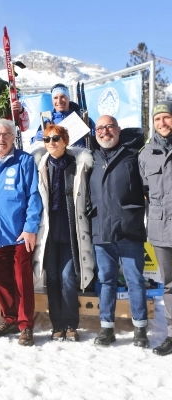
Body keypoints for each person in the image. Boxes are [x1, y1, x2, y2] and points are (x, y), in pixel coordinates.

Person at [0, 118, 42, 346]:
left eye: (6, 135)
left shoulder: (25, 161)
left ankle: (25, 325)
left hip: (20, 235)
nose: (1, 139)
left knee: (22, 281)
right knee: (2, 281)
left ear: (14, 137)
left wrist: (30, 228)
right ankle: (10, 318)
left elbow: (34, 196)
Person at [31, 125, 94, 341]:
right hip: (48, 230)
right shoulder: (40, 165)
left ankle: (71, 325)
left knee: (68, 277)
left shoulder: (78, 164)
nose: (51, 142)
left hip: (69, 229)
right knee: (54, 277)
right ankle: (57, 325)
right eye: (47, 139)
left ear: (65, 140)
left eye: (56, 138)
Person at [89, 115, 148, 347]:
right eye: (100, 128)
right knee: (106, 280)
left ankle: (140, 328)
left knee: (135, 280)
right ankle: (106, 329)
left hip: (129, 228)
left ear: (119, 129)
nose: (105, 132)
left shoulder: (134, 155)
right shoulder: (90, 157)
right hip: (101, 229)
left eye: (109, 127)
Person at [139, 100, 172, 356]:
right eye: (158, 119)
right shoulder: (146, 154)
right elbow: (145, 191)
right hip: (161, 229)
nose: (162, 123)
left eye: (167, 117)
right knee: (169, 284)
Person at [30, 83, 95, 147]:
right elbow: (33, 146)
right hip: (57, 156)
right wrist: (35, 139)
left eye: (62, 97)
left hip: (80, 155)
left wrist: (92, 132)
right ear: (52, 100)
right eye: (55, 98)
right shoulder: (47, 122)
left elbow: (97, 139)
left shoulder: (82, 118)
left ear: (68, 98)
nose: (59, 101)